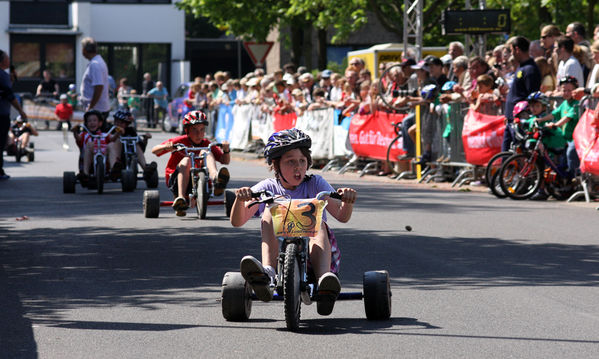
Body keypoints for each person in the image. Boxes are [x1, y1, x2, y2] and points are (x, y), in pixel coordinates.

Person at [230, 128, 357, 315]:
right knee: (268, 213)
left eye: (302, 161)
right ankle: (268, 273)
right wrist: (240, 200)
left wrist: (347, 201)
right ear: (276, 165)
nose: (298, 167)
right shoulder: (268, 187)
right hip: (279, 252)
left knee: (318, 220)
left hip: (317, 253)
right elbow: (237, 221)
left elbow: (342, 216)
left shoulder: (316, 183)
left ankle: (324, 282)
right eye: (290, 162)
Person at [151, 111, 230, 217]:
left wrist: (226, 150)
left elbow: (225, 161)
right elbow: (154, 150)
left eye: (202, 130)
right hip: (176, 179)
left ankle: (216, 179)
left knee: (206, 152)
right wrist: (166, 147)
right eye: (195, 130)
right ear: (187, 130)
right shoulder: (180, 141)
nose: (199, 134)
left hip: (201, 180)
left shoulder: (207, 144)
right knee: (187, 160)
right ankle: (181, 198)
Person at [524, 91, 567, 200]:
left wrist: (547, 128)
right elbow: (528, 123)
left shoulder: (545, 118)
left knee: (541, 166)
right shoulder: (534, 118)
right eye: (532, 106)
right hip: (538, 147)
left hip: (549, 146)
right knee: (536, 165)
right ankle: (536, 187)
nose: (533, 108)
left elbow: (549, 127)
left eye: (537, 106)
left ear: (544, 107)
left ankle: (542, 190)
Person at [503, 36, 541, 152]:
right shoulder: (521, 67)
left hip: (521, 119)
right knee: (506, 151)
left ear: (517, 49)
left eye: (512, 51)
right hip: (512, 118)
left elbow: (532, 95)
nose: (511, 54)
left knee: (521, 152)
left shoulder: (530, 69)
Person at [536, 76, 581, 177]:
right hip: (565, 138)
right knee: (561, 157)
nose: (566, 93)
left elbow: (567, 118)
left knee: (570, 154)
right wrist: (540, 120)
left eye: (569, 90)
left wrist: (555, 124)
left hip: (575, 139)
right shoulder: (564, 103)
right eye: (564, 90)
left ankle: (574, 177)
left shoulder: (576, 104)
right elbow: (554, 114)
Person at [1, 49, 29, 179]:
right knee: (1, 141)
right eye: (7, 59)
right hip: (1, 114)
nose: (9, 61)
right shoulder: (2, 75)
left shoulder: (4, 76)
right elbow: (9, 95)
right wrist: (21, 111)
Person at [72, 110, 120, 185]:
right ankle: (85, 174)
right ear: (86, 124)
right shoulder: (84, 134)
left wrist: (118, 132)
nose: (92, 123)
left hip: (105, 162)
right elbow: (78, 138)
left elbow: (113, 138)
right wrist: (75, 131)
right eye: (89, 121)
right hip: (89, 163)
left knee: (111, 145)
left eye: (94, 120)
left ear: (100, 123)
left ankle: (113, 170)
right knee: (90, 144)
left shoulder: (104, 134)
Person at [106, 110, 157, 180]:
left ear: (126, 124)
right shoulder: (111, 129)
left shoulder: (130, 131)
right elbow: (110, 140)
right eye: (116, 122)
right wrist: (118, 133)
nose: (118, 124)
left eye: (121, 122)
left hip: (129, 154)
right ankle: (114, 169)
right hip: (116, 157)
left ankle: (146, 168)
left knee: (136, 144)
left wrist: (145, 139)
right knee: (116, 142)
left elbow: (142, 148)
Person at [80, 37, 110, 121]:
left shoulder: (95, 64)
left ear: (84, 50)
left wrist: (90, 107)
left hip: (97, 109)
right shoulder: (98, 62)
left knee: (94, 133)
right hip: (97, 108)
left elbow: (99, 87)